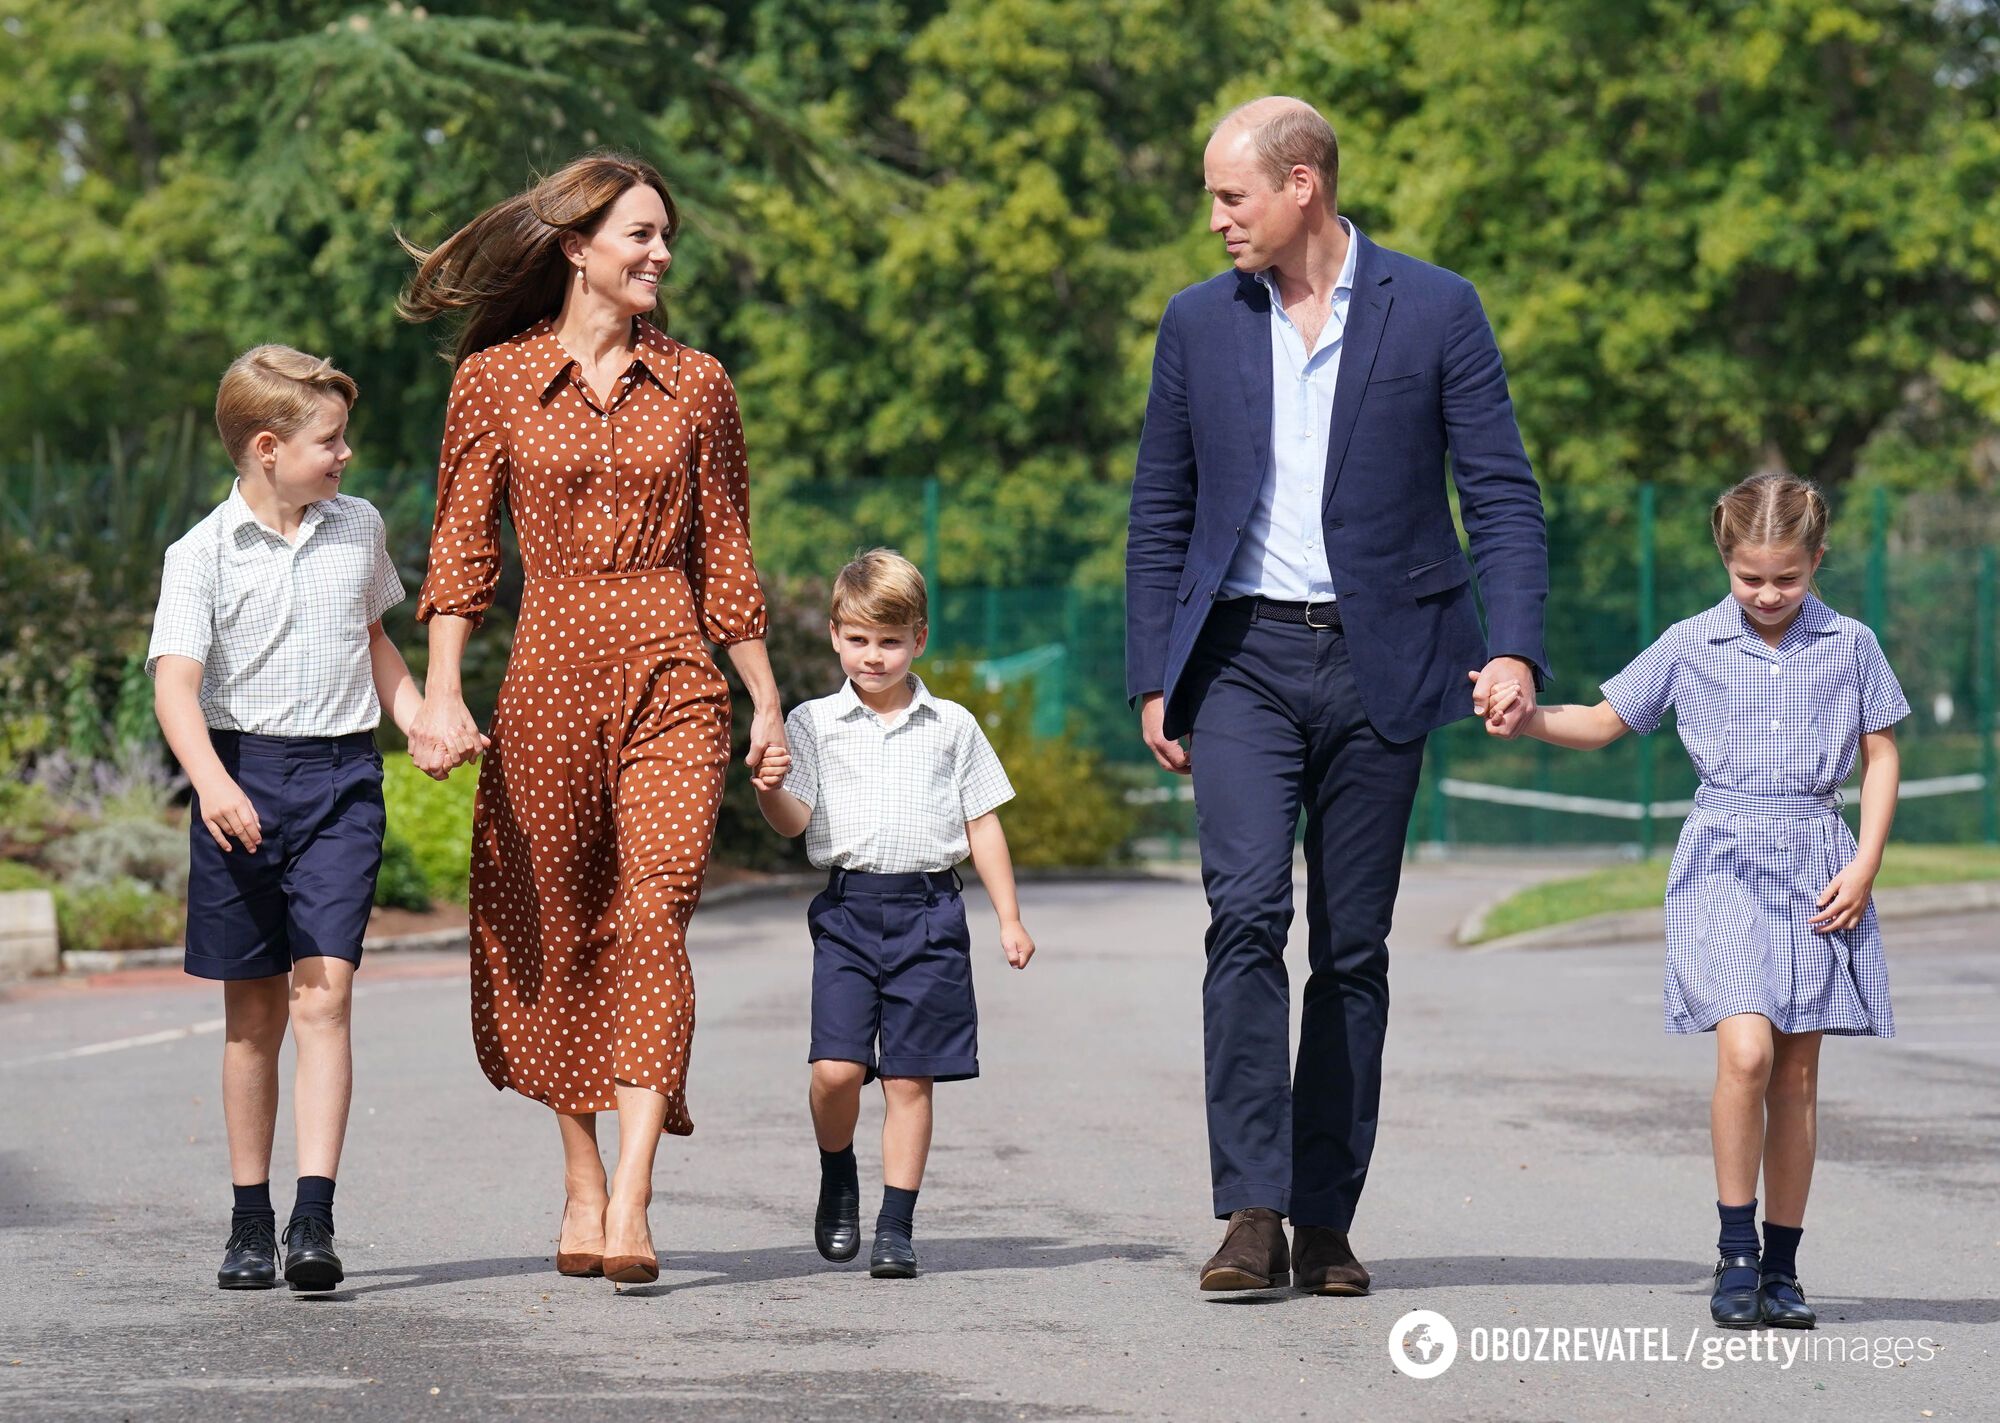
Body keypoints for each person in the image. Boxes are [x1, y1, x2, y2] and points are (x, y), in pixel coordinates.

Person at [1125, 96, 1550, 1295]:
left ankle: (1325, 1218)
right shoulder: (1196, 325)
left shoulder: (1437, 307)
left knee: (1350, 949)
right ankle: (1251, 1210)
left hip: (1386, 662)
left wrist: (1512, 646)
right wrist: (1156, 671)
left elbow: (1502, 496)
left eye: (1230, 195)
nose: (1214, 219)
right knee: (1245, 917)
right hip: (1243, 662)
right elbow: (1158, 512)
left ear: (1300, 184)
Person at [398, 152, 788, 1286]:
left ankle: (630, 1198)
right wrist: (439, 691)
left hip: (674, 671)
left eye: (665, 237)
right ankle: (577, 1178)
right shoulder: (495, 384)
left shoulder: (700, 382)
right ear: (577, 247)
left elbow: (727, 554)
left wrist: (764, 698)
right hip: (548, 674)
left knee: (653, 914)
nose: (660, 254)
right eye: (639, 235)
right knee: (556, 922)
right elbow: (461, 555)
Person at [1484, 472, 1906, 1331]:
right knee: (1745, 1051)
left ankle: (1783, 1268)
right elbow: (1603, 721)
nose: (1768, 594)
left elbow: (1881, 755)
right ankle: (1737, 1250)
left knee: (1795, 1071)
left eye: (1787, 577)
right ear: (1727, 561)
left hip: (1819, 859)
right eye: (1750, 577)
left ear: (1816, 560)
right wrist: (1525, 715)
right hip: (1722, 856)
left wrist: (1865, 864)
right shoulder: (1691, 641)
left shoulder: (1851, 643)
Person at [148, 345, 420, 1292]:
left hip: (343, 779)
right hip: (240, 780)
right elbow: (175, 688)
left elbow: (375, 639)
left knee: (326, 993)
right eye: (329, 441)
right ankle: (249, 1218)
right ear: (269, 447)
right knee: (254, 1012)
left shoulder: (359, 527)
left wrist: (418, 716)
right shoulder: (201, 555)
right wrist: (212, 783)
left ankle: (313, 1215)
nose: (345, 456)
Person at [753, 549, 1035, 1279]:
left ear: (919, 639)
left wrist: (1008, 916)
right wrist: (766, 787)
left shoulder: (953, 725)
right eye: (857, 639)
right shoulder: (812, 724)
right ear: (833, 635)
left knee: (911, 1077)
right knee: (836, 1070)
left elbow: (983, 823)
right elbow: (793, 821)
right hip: (849, 913)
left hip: (931, 912)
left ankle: (896, 1225)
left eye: (889, 640)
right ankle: (837, 1169)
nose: (872, 656)